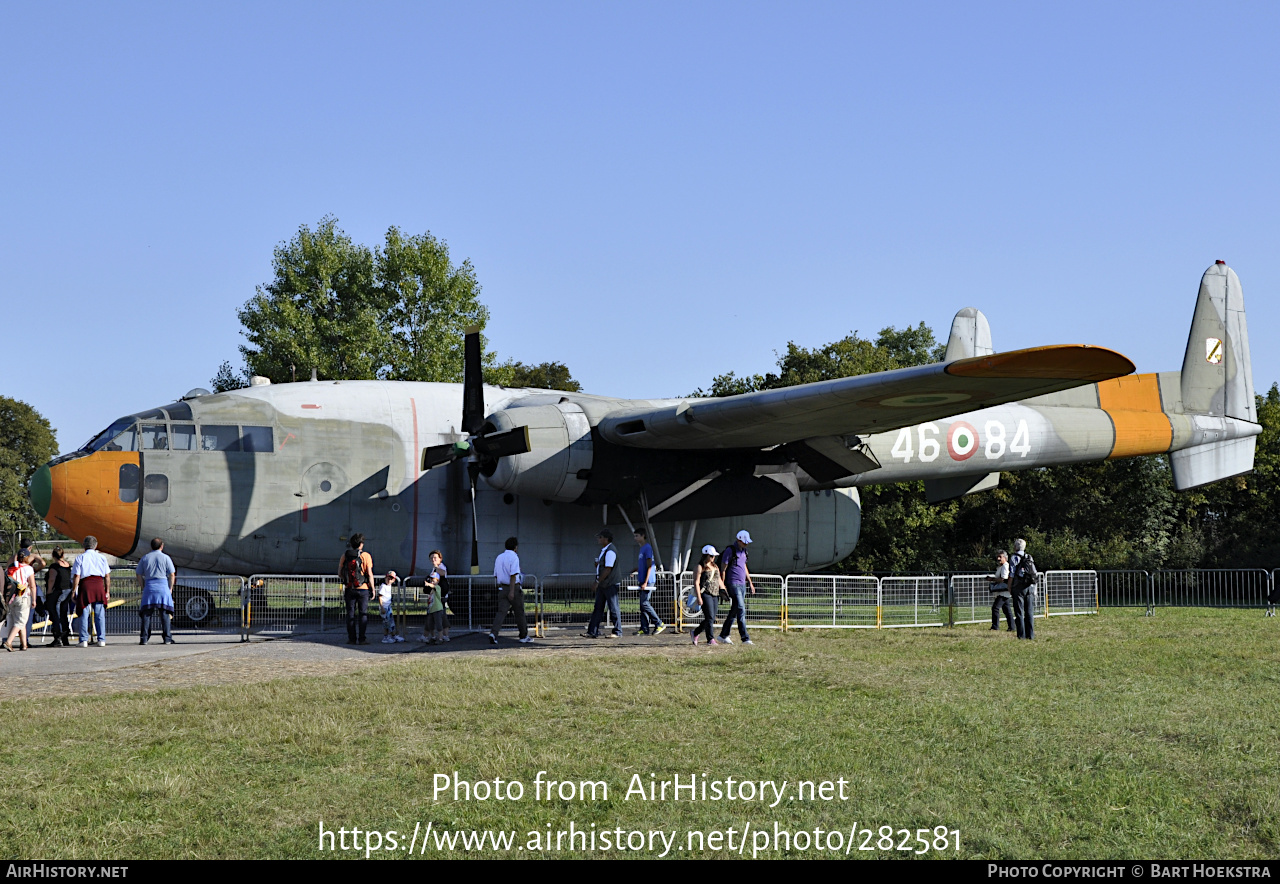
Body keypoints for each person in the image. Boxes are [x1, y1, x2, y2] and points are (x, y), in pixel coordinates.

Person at [717, 530, 756, 645]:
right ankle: (745, 638)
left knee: (734, 611)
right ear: (739, 540)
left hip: (742, 584)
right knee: (741, 609)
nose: (746, 544)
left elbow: (744, 567)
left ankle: (723, 635)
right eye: (744, 542)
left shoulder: (744, 552)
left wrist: (750, 582)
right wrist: (722, 586)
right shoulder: (730, 551)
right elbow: (723, 569)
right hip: (733, 584)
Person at [491, 537, 532, 644]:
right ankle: (523, 635)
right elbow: (513, 575)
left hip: (502, 587)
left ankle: (493, 633)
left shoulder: (499, 557)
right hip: (513, 587)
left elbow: (495, 575)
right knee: (519, 612)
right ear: (515, 547)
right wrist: (512, 591)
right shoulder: (514, 557)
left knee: (501, 612)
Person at [135, 537, 177, 645]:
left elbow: (138, 573)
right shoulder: (166, 558)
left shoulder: (145, 558)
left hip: (149, 587)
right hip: (163, 587)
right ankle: (167, 638)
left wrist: (143, 586)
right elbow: (172, 574)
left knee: (146, 614)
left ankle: (144, 638)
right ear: (161, 546)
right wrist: (170, 588)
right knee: (164, 614)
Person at [73, 536, 112, 648]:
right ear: (96, 545)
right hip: (99, 584)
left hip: (86, 585)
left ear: (84, 545)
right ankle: (101, 639)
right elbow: (107, 576)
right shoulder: (102, 558)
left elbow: (77, 576)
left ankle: (84, 640)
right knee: (100, 613)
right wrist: (107, 591)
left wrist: (73, 590)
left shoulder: (80, 558)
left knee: (84, 612)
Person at [583, 529, 622, 638]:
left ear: (606, 538)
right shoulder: (604, 550)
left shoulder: (610, 551)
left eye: (600, 537)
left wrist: (597, 581)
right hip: (604, 584)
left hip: (609, 583)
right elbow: (604, 566)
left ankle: (617, 631)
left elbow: (608, 569)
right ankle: (592, 631)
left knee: (613, 607)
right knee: (598, 607)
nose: (598, 539)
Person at [339, 534, 375, 645]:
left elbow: (339, 573)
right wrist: (372, 589)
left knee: (350, 614)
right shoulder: (366, 556)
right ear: (361, 544)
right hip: (363, 589)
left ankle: (352, 639)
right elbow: (369, 574)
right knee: (362, 614)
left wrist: (347, 580)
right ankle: (362, 639)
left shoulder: (345, 555)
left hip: (349, 588)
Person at [3, 551, 39, 651]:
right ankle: (8, 642)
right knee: (21, 621)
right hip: (22, 596)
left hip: (11, 597)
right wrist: (34, 599)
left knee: (18, 620)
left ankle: (24, 645)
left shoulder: (10, 568)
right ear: (27, 558)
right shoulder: (28, 568)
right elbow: (32, 585)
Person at [633, 528, 665, 636]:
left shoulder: (647, 548)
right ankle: (644, 628)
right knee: (642, 606)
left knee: (645, 603)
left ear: (643, 536)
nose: (635, 538)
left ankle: (659, 623)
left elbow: (650, 566)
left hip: (648, 581)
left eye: (637, 536)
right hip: (642, 580)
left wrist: (646, 582)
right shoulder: (642, 548)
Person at [690, 545, 722, 646]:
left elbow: (718, 579)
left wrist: (723, 590)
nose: (713, 558)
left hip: (715, 593)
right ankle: (710, 638)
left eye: (714, 556)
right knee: (709, 617)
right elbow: (696, 582)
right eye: (711, 556)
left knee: (711, 618)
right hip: (705, 593)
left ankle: (696, 632)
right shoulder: (700, 567)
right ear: (706, 555)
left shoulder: (715, 566)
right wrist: (699, 597)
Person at [44, 547, 74, 647]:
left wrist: (48, 592)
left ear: (53, 555)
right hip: (67, 591)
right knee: (63, 614)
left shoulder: (54, 567)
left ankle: (58, 637)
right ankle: (65, 637)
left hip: (58, 592)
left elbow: (51, 580)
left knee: (55, 614)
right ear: (63, 555)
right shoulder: (67, 565)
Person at [1009, 538, 1038, 640]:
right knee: (1029, 612)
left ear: (1016, 547)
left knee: (1019, 612)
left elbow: (1012, 574)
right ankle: (1031, 635)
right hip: (1030, 586)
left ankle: (1021, 635)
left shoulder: (1013, 557)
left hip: (1019, 587)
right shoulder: (1029, 557)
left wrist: (1010, 587)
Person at [987, 550, 1015, 632]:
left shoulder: (1005, 566)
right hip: (1003, 592)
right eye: (998, 557)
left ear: (1005, 558)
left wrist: (992, 579)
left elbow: (1003, 578)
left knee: (995, 608)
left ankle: (995, 626)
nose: (998, 558)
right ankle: (1012, 627)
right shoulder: (1001, 566)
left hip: (1003, 592)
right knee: (1007, 610)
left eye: (1000, 557)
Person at [428, 550, 451, 642]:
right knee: (438, 616)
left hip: (441, 596)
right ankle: (440, 635)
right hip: (436, 597)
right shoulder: (434, 568)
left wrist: (436, 566)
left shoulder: (440, 567)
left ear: (440, 559)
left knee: (441, 616)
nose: (433, 560)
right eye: (431, 558)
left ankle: (444, 635)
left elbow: (443, 573)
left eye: (435, 558)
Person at [377, 570, 402, 644]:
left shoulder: (389, 586)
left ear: (394, 580)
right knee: (387, 623)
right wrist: (382, 607)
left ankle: (392, 636)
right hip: (384, 607)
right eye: (388, 578)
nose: (389, 580)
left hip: (388, 606)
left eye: (391, 578)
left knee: (390, 622)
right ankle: (386, 637)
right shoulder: (383, 586)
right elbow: (380, 597)